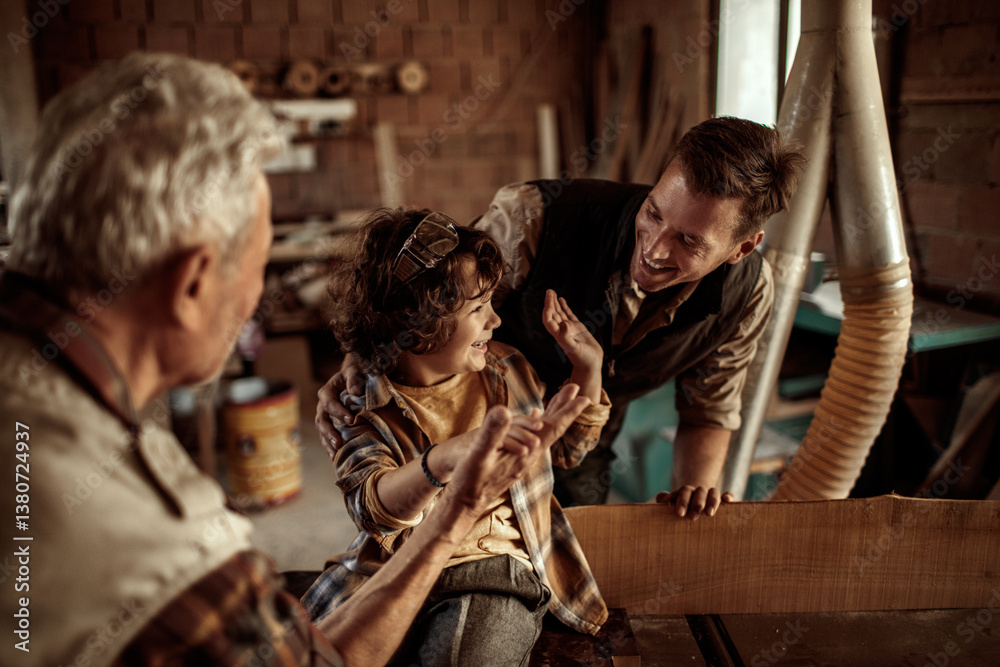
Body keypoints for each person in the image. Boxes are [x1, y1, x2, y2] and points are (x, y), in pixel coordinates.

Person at [0, 52, 583, 667]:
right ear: (193, 283)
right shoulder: (168, 558)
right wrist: (455, 510)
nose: (256, 296)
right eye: (257, 266)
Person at [316, 116, 805, 516]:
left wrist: (690, 500)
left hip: (582, 432)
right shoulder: (533, 215)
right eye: (654, 213)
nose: (654, 249)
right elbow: (425, 303)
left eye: (689, 241)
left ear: (742, 248)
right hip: (464, 416)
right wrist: (362, 363)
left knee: (564, 547)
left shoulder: (748, 295)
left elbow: (707, 409)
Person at [301, 209, 611, 666]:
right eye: (477, 308)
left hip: (492, 569)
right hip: (393, 571)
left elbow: (565, 449)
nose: (495, 320)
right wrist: (444, 459)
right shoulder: (358, 403)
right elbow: (371, 510)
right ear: (418, 321)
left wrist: (588, 369)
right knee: (304, 652)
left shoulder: (509, 369)